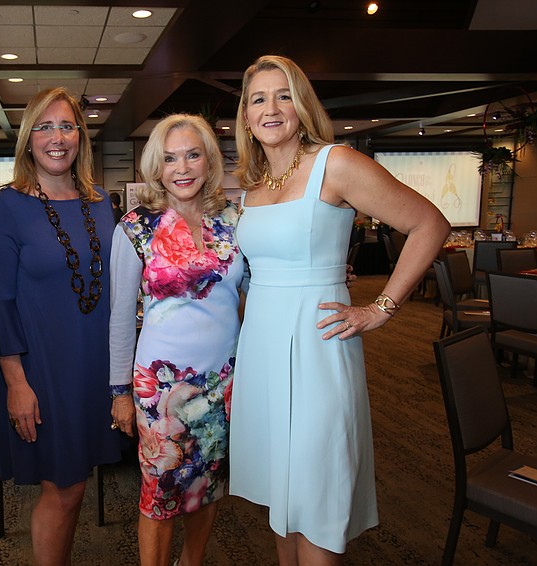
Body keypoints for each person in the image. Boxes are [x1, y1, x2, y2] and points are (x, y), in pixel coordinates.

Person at [229, 55, 450, 566]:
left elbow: (429, 225)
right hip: (260, 349)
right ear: (244, 116)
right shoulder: (253, 186)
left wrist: (382, 308)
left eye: (283, 95)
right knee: (278, 500)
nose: (271, 108)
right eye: (258, 98)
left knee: (317, 493)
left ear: (302, 105)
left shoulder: (338, 163)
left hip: (318, 347)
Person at [0, 87, 121, 566]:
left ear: (80, 134)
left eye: (66, 125)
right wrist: (15, 384)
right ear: (28, 138)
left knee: (76, 487)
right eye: (44, 126)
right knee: (63, 490)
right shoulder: (6, 208)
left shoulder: (99, 203)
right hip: (42, 372)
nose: (56, 137)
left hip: (93, 367)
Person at [109, 114, 245, 566]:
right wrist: (120, 393)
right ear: (156, 166)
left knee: (208, 486)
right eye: (169, 159)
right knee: (160, 494)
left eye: (192, 155)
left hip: (224, 383)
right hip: (161, 388)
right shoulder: (135, 226)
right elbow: (120, 319)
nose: (181, 168)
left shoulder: (234, 220)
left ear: (209, 161)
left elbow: (257, 290)